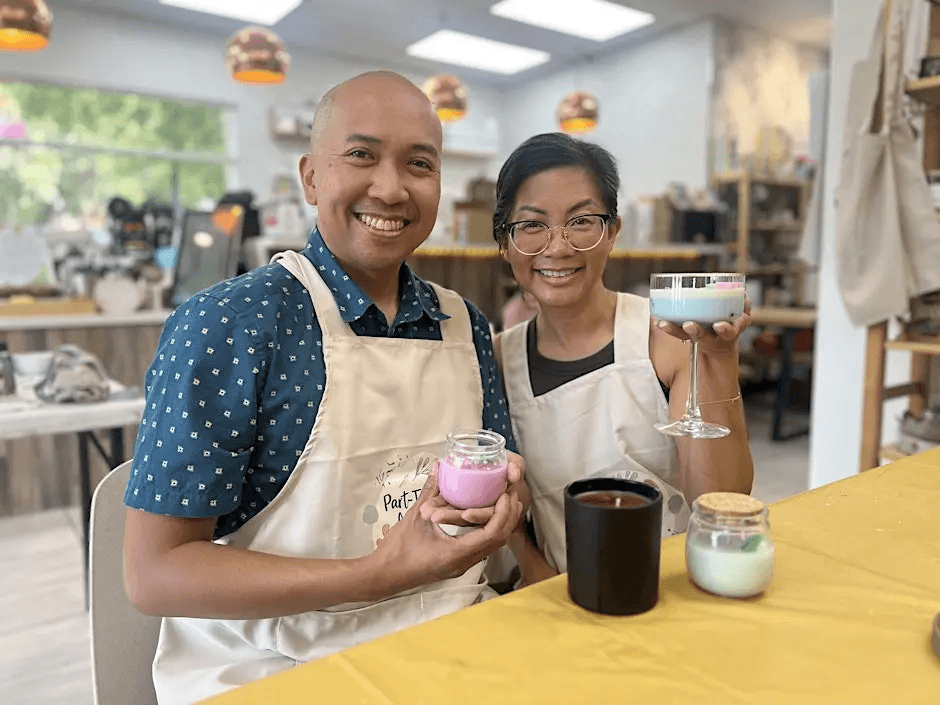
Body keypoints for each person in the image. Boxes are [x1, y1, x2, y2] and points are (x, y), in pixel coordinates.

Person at [122, 71, 525, 704]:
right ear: (312, 176)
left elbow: (480, 483)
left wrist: (499, 505)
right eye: (361, 155)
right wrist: (372, 576)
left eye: (419, 164)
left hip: (447, 645)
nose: (391, 188)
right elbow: (155, 574)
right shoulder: (229, 325)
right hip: (272, 666)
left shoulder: (464, 325)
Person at [482, 132, 753, 587]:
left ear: (612, 232)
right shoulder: (496, 361)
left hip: (670, 585)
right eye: (532, 225)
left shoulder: (664, 337)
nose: (558, 246)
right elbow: (503, 503)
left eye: (582, 221)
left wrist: (717, 356)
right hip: (559, 591)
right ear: (505, 244)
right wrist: (538, 574)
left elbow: (720, 497)